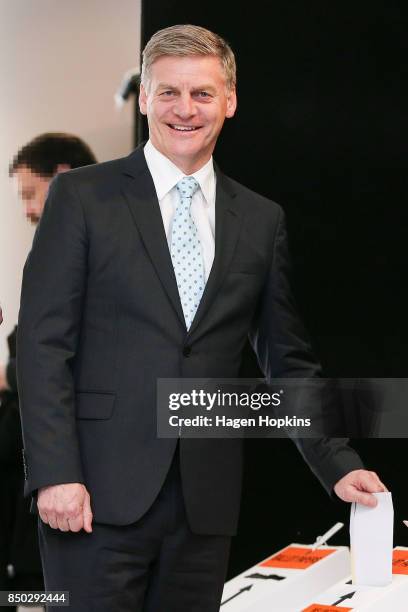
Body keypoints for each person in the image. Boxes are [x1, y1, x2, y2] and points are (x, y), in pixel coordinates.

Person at [17, 25, 386, 612]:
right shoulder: (83, 199)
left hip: (205, 507)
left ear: (230, 102)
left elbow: (287, 360)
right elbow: (40, 347)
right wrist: (56, 474)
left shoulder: (261, 221)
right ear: (144, 99)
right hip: (91, 499)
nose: (184, 110)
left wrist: (338, 463)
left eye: (202, 94)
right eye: (168, 93)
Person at [0, 134, 96, 609]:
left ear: (61, 178)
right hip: (36, 461)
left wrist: (7, 376)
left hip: (70, 468)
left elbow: (66, 357)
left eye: (28, 194)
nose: (27, 210)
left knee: (46, 592)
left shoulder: (93, 250)